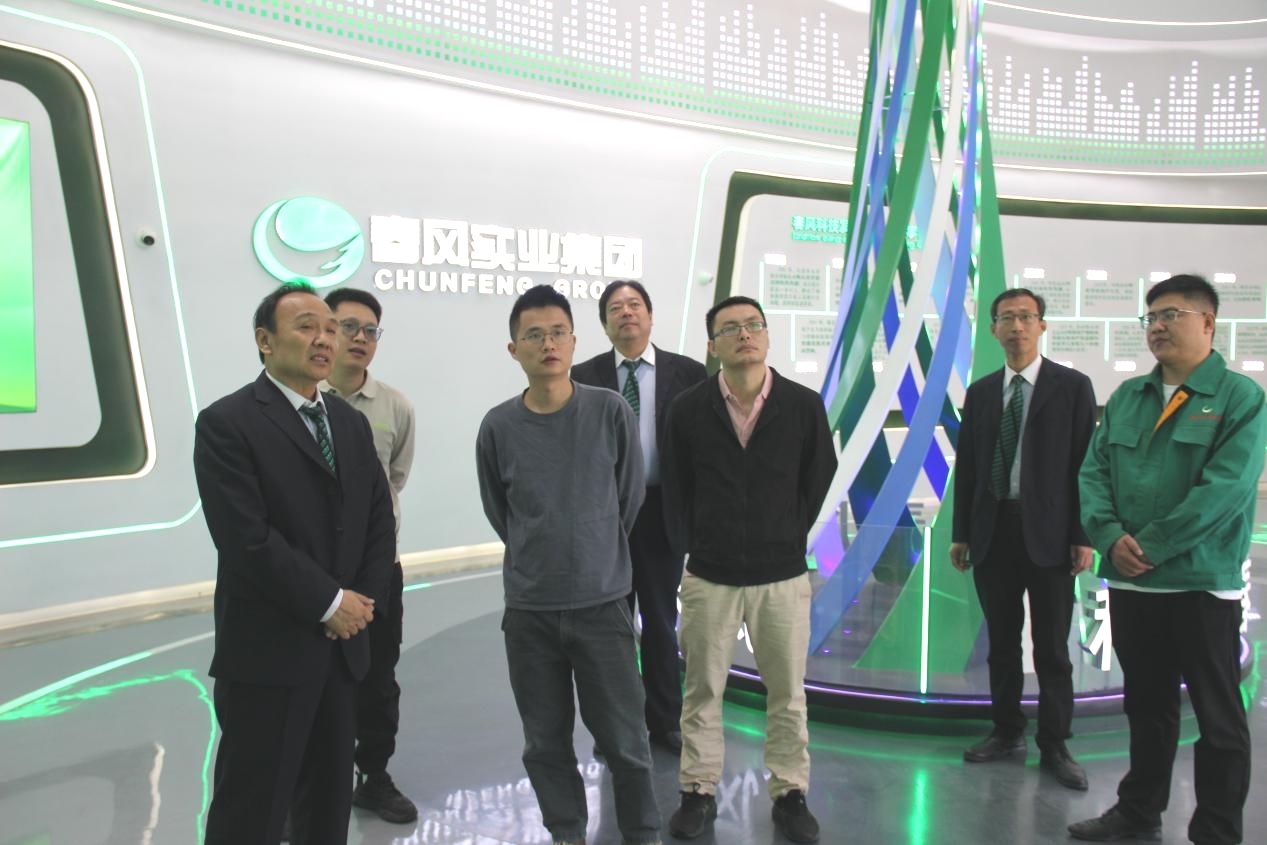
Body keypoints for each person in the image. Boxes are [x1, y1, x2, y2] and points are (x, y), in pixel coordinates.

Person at [194, 281, 395, 845]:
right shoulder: (228, 422)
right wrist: (330, 603)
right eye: (307, 327)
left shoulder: (348, 423)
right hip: (270, 653)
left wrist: (360, 604)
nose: (326, 339)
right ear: (265, 340)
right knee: (252, 809)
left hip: (341, 651)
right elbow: (247, 539)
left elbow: (378, 520)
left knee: (327, 807)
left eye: (331, 328)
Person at [1070, 274, 1265, 844]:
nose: (1157, 326)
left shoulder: (1240, 398)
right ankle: (1138, 811)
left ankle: (1216, 831)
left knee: (1218, 718)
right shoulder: (1129, 397)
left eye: (1170, 315)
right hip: (1135, 587)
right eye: (1151, 317)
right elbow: (1093, 474)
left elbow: (1225, 489)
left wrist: (1150, 545)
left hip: (1200, 585)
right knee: (1147, 707)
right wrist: (1109, 536)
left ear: (1208, 322)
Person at [475, 285, 662, 845]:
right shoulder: (498, 426)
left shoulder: (608, 410)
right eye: (533, 335)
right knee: (544, 742)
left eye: (557, 332)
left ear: (575, 341)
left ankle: (643, 833)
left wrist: (594, 544)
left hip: (602, 605)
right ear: (514, 350)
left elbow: (628, 497)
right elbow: (501, 511)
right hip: (530, 611)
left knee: (626, 740)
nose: (548, 344)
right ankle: (567, 833)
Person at [661, 295, 836, 844]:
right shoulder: (688, 408)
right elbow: (676, 485)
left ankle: (790, 793)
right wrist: (696, 542)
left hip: (780, 574)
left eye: (753, 325)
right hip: (709, 574)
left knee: (787, 693)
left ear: (766, 336)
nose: (744, 334)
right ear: (712, 345)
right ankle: (698, 789)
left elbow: (818, 476)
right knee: (702, 690)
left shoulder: (803, 405)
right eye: (730, 328)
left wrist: (785, 531)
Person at [950, 288, 1097, 790]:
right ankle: (1007, 731)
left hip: (1051, 536)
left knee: (1052, 648)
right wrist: (962, 533)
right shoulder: (982, 392)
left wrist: (1082, 534)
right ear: (993, 328)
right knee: (1001, 643)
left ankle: (1055, 743)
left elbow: (1085, 465)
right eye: (1007, 318)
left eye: (1026, 317)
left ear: (1042, 326)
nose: (1017, 326)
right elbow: (969, 468)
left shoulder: (1072, 387)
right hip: (993, 532)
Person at [571, 280, 708, 754]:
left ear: (650, 316)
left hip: (661, 514)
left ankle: (665, 721)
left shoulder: (688, 373)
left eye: (634, 305)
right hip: (604, 517)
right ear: (604, 323)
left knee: (660, 621)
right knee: (609, 629)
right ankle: (616, 728)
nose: (626, 313)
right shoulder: (583, 376)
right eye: (615, 308)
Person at [323, 287, 418, 824]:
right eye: (348, 326)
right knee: (312, 678)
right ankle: (309, 783)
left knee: (378, 677)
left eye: (370, 330)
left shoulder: (394, 406)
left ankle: (374, 776)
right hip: (317, 572)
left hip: (379, 568)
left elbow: (394, 479)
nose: (359, 338)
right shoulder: (301, 401)